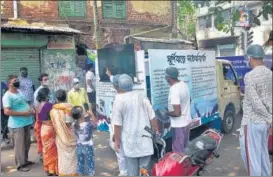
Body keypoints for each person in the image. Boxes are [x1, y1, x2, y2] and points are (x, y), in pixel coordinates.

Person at [112, 74, 159, 176]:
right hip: (145, 140)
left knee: (132, 171)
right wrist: (156, 131)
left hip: (130, 142)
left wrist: (117, 141)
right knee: (144, 171)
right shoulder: (141, 96)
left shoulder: (119, 100)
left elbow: (117, 124)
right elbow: (152, 116)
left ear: (119, 85)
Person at [239, 44, 272, 176]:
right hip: (265, 124)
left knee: (252, 160)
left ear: (251, 58)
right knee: (262, 154)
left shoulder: (250, 76)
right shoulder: (270, 74)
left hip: (252, 123)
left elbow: (256, 103)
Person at [2, 75, 35, 172]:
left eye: (17, 80)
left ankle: (25, 160)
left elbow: (25, 102)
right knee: (19, 146)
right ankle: (20, 165)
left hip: (26, 122)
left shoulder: (19, 91)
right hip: (16, 125)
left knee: (26, 143)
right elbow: (7, 112)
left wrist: (30, 108)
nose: (17, 82)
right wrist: (23, 113)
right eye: (15, 81)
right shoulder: (7, 96)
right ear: (9, 84)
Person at [50, 89, 77, 176]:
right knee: (73, 157)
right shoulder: (72, 108)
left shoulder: (53, 111)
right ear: (65, 98)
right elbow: (73, 123)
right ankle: (73, 173)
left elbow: (55, 126)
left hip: (61, 137)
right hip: (72, 135)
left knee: (62, 157)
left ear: (56, 99)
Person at [165, 67, 191, 153]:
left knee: (178, 152)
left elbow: (177, 113)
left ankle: (181, 166)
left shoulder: (174, 90)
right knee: (184, 148)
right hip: (186, 122)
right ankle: (186, 165)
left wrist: (166, 113)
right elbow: (189, 100)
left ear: (168, 77)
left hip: (178, 125)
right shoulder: (183, 84)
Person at [109, 74, 128, 176]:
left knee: (120, 150)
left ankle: (124, 172)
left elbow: (117, 122)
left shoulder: (119, 99)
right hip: (123, 128)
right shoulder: (128, 95)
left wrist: (115, 136)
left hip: (119, 128)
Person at [36, 87, 58, 176]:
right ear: (46, 95)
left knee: (46, 149)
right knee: (53, 150)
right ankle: (53, 170)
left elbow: (40, 119)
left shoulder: (37, 106)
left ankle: (47, 169)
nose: (50, 95)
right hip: (50, 128)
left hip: (43, 129)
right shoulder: (49, 105)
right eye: (49, 93)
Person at [33, 73, 53, 162]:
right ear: (40, 81)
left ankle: (48, 154)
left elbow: (52, 100)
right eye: (45, 79)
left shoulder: (49, 89)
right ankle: (42, 154)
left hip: (49, 114)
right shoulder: (38, 92)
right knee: (42, 135)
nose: (47, 81)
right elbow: (36, 106)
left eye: (47, 79)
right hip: (42, 116)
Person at [72, 106, 96, 176]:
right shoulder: (88, 124)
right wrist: (91, 115)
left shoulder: (74, 125)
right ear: (82, 115)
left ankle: (80, 172)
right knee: (90, 160)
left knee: (80, 160)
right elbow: (95, 124)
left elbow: (75, 133)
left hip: (79, 146)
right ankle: (91, 172)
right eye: (83, 111)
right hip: (88, 146)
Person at [1, 81, 9, 146]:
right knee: (3, 123)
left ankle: (5, 136)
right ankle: (4, 137)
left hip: (5, 107)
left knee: (6, 122)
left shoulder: (3, 84)